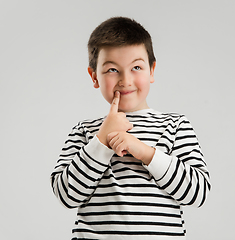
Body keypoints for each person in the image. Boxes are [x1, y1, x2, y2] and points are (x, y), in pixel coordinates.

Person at [50, 17, 211, 239]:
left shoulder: (175, 126)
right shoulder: (85, 131)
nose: (125, 80)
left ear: (152, 70)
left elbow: (197, 193)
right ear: (94, 76)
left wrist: (144, 151)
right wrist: (102, 140)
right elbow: (67, 195)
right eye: (112, 70)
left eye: (136, 67)